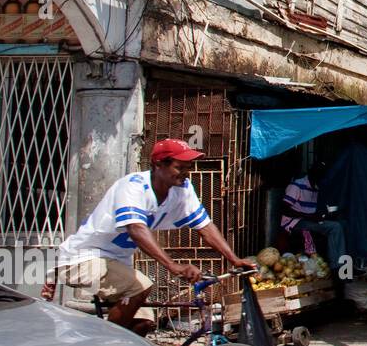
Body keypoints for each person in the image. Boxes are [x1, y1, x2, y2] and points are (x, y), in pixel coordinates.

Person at [44, 138, 256, 333]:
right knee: (141, 286)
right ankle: (104, 345)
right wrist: (173, 266)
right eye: (179, 167)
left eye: (188, 168)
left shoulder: (182, 190)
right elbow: (136, 229)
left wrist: (234, 259)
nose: (185, 173)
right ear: (158, 165)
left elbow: (205, 227)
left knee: (145, 323)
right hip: (83, 258)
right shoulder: (133, 186)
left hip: (116, 263)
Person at [282, 161, 347, 272]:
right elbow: (285, 209)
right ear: (311, 173)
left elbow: (313, 212)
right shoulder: (297, 185)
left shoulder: (316, 188)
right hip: (294, 222)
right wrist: (309, 216)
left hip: (307, 219)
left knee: (339, 225)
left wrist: (323, 215)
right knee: (334, 227)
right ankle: (337, 266)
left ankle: (339, 263)